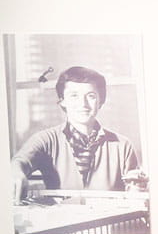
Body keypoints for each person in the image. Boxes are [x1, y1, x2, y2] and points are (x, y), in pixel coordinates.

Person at [11, 66, 147, 204]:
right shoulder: (45, 140)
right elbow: (19, 162)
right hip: (62, 217)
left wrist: (137, 189)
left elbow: (134, 195)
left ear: (101, 101)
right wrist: (16, 173)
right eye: (74, 95)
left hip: (111, 218)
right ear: (62, 100)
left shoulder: (123, 146)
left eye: (91, 96)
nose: (83, 104)